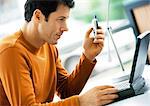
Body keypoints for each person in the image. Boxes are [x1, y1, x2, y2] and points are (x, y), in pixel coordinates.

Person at [0, 0, 118, 106]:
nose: (65, 28)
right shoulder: (10, 51)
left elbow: (66, 91)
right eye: (61, 19)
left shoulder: (48, 46)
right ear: (38, 16)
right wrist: (81, 102)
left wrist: (88, 56)